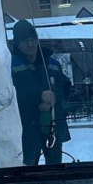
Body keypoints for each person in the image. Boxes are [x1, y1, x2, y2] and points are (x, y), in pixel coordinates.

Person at [10, 19, 72, 165]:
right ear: (17, 43)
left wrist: (54, 97)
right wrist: (39, 97)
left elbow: (67, 87)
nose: (31, 44)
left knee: (55, 170)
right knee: (28, 171)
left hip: (53, 125)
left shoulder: (52, 64)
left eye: (33, 39)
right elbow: (12, 96)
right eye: (26, 41)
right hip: (27, 130)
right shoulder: (11, 66)